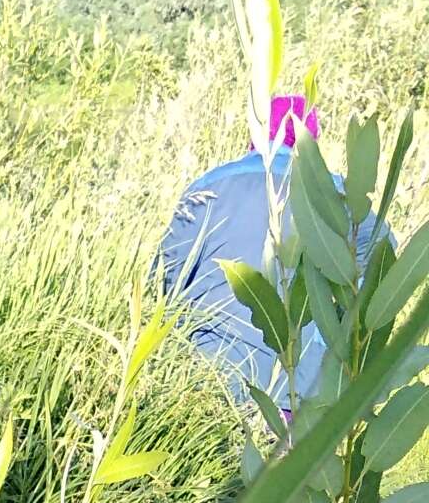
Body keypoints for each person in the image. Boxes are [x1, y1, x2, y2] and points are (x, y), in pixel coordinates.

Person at [156, 94, 385, 415]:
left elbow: (165, 278)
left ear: (255, 134)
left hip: (205, 377)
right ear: (310, 141)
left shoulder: (206, 187)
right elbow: (382, 256)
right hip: (294, 384)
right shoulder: (333, 195)